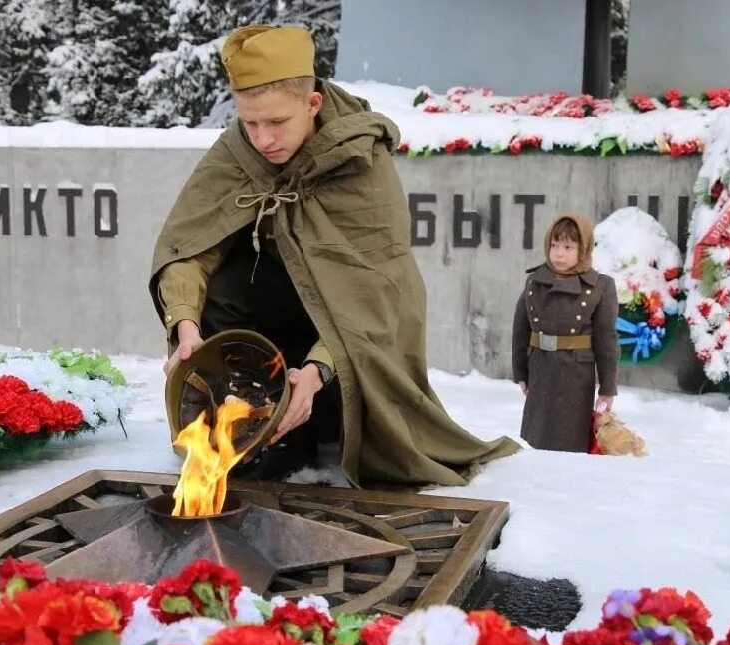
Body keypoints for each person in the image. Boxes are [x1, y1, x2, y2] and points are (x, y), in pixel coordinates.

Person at [149, 24, 521, 487]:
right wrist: (184, 323)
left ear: (313, 104)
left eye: (276, 122)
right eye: (250, 123)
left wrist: (318, 369)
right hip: (266, 321)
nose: (262, 139)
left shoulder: (359, 157)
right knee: (222, 285)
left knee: (356, 407)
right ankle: (253, 421)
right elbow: (189, 247)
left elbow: (377, 287)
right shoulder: (238, 152)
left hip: (342, 328)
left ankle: (329, 418)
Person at [512, 214, 619, 452]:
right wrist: (521, 372)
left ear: (584, 249)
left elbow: (606, 342)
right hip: (541, 370)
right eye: (554, 245)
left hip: (576, 376)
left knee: (570, 443)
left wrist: (607, 388)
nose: (559, 253)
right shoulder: (535, 282)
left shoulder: (600, 287)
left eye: (568, 247)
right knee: (539, 440)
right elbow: (521, 329)